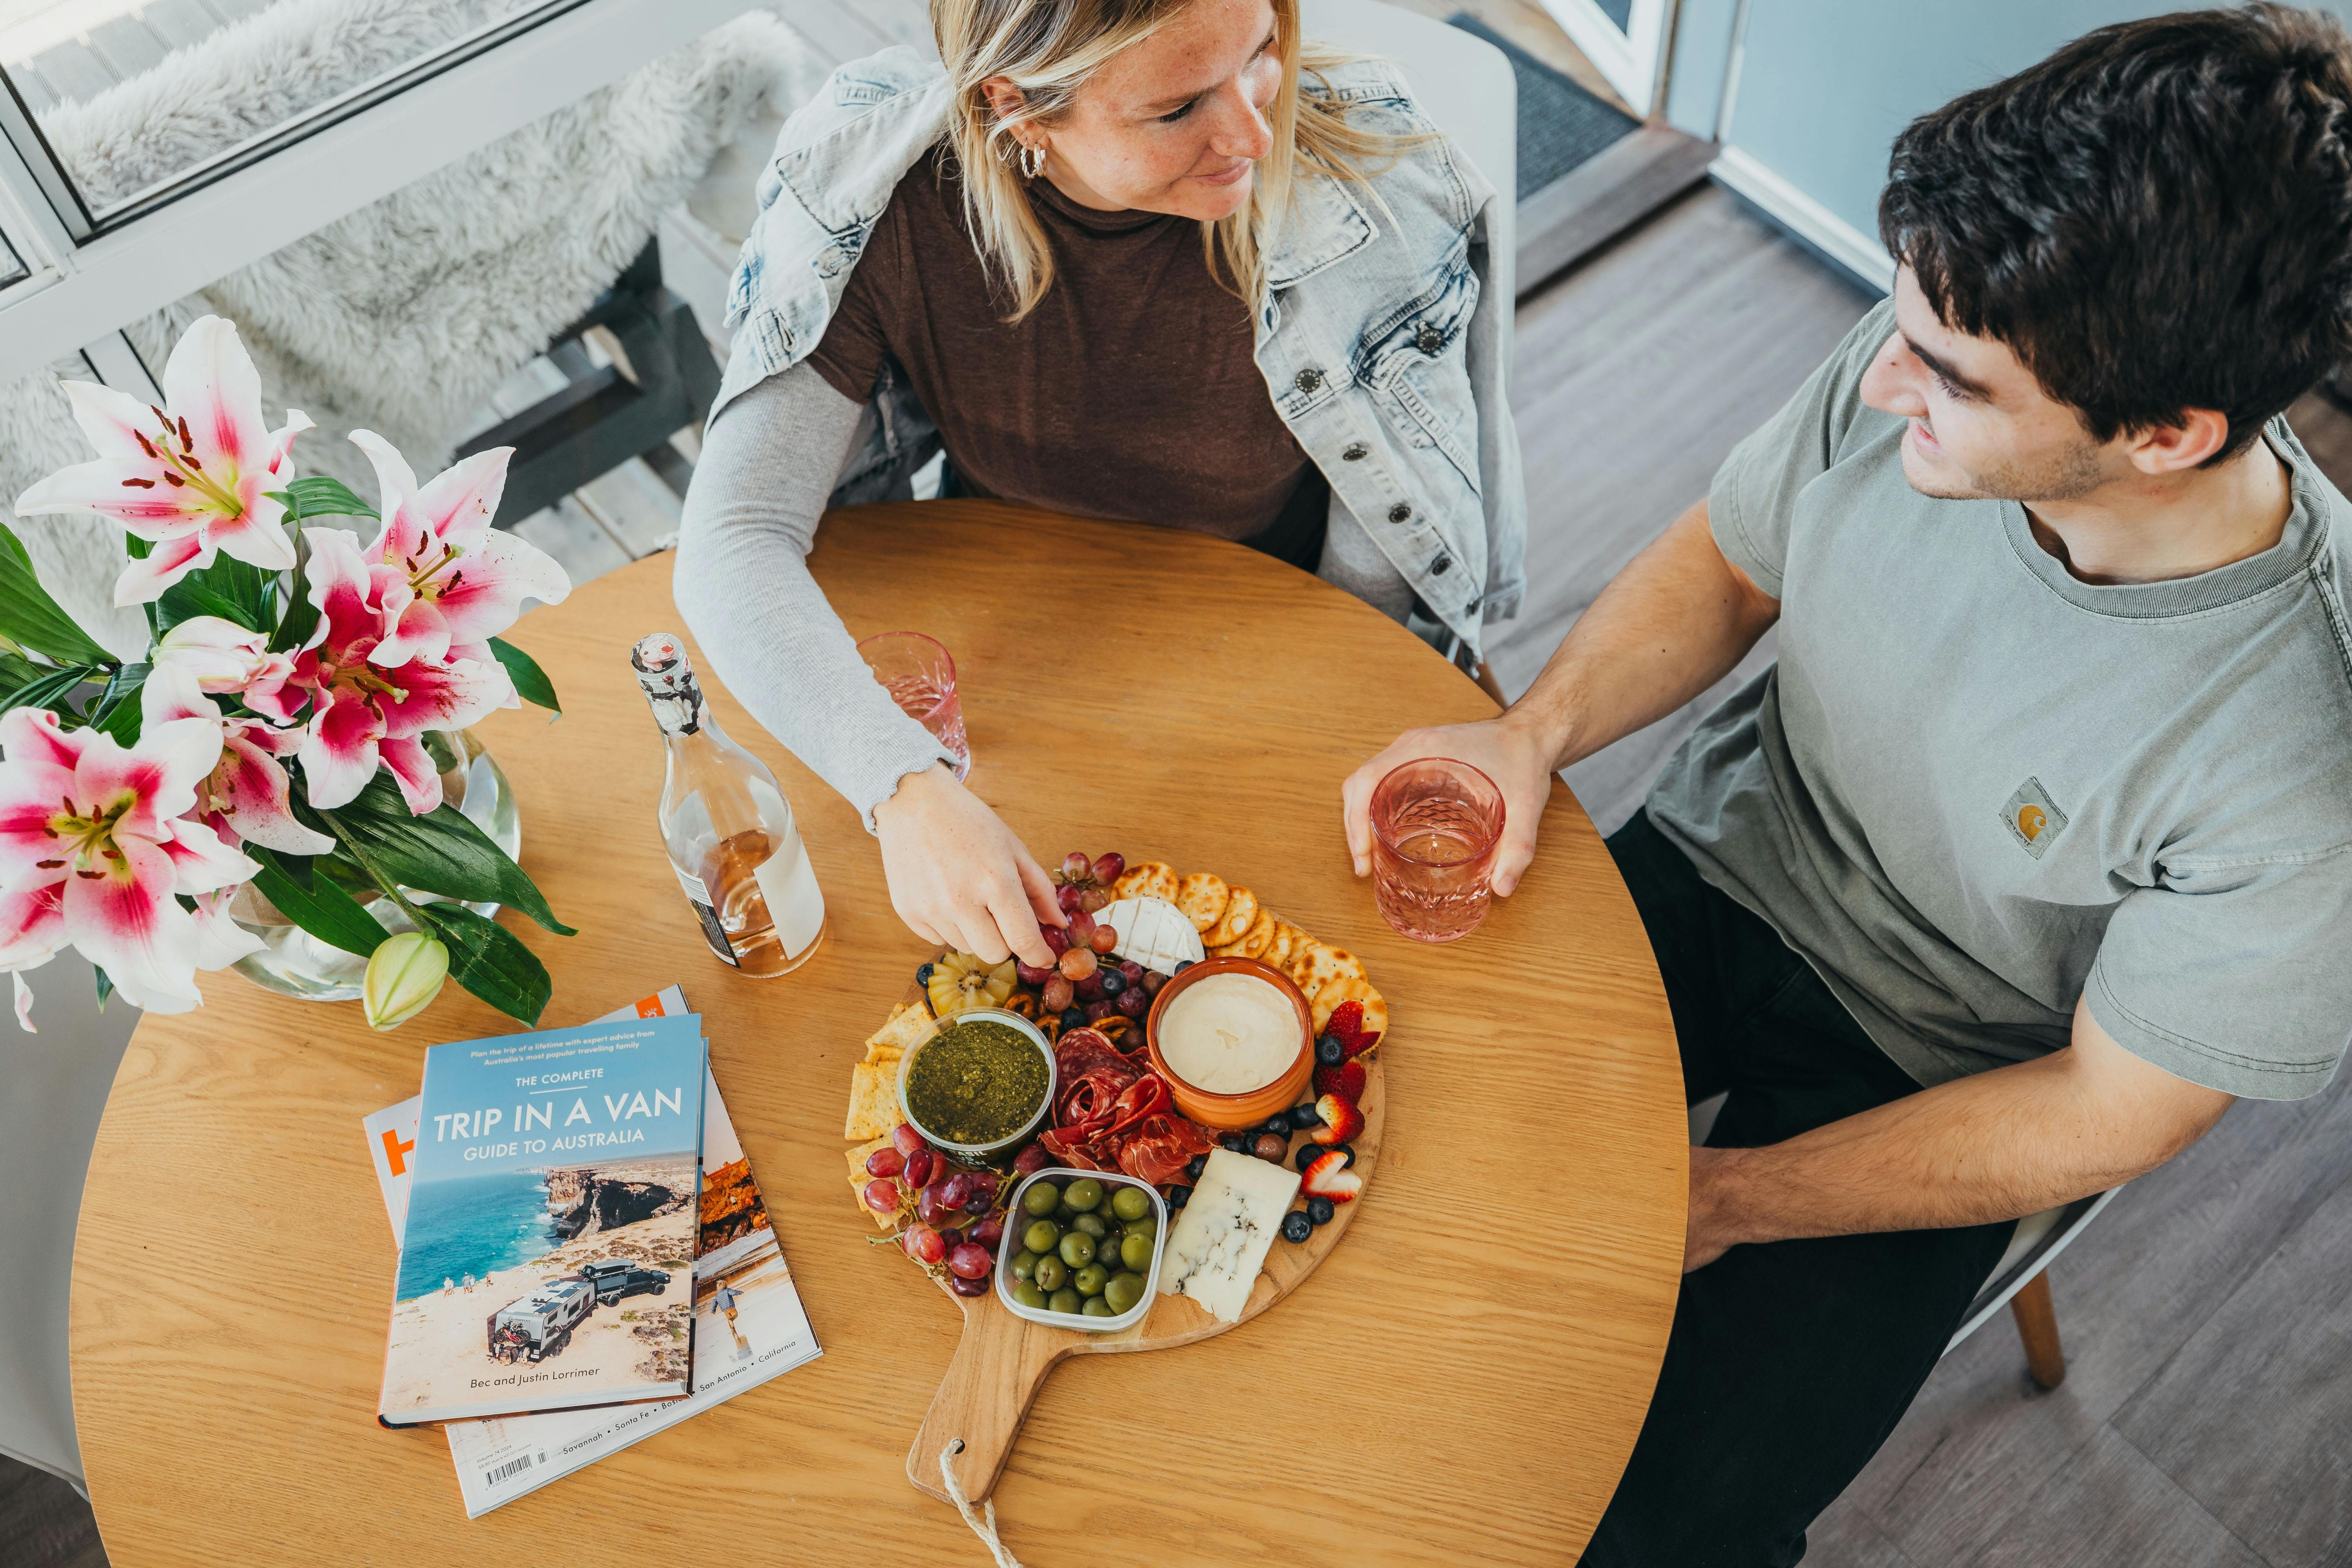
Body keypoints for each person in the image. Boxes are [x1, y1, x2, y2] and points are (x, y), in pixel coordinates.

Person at [1342, 8, 2352, 1562]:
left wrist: (1730, 1195)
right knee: (1349, 1136)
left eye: (1947, 379)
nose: (1884, 384)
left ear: (2165, 435)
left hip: (1948, 1067)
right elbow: (1734, 558)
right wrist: (1533, 732)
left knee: (1654, 1529)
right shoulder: (1946, 329)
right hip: (1725, 848)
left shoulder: (2302, 752)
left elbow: (2104, 1108)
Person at [676, 0, 1523, 970]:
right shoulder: (877, 196)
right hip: (1006, 641)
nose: (1253, 129)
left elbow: (1382, 586)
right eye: (1175, 109)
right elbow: (734, 534)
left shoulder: (1369, 192)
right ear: (1018, 109)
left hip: (1278, 624)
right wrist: (902, 789)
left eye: (1260, 54)